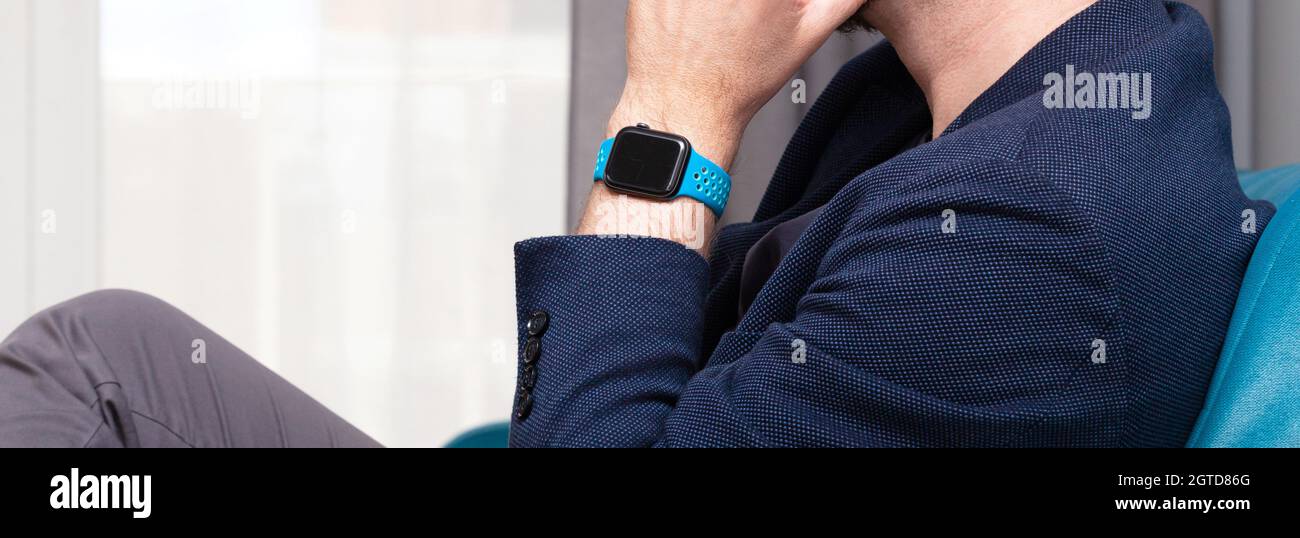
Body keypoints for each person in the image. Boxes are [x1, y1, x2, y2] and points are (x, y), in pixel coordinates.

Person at [0, 0, 1272, 448]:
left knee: (96, 373)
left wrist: (672, 105)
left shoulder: (1030, 228)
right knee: (109, 358)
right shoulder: (957, 96)